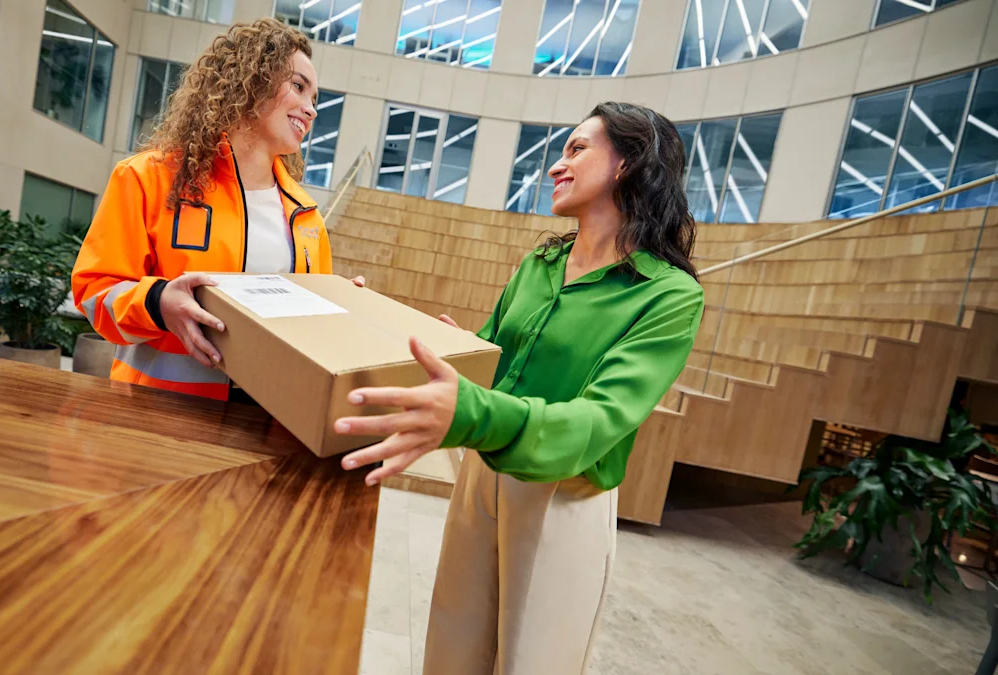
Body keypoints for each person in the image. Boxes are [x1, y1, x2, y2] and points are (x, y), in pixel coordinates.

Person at [334, 102, 705, 674]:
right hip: (482, 472)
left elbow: (598, 420)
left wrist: (476, 411)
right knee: (452, 648)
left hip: (563, 494)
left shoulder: (670, 295)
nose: (557, 165)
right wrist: (440, 345)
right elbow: (491, 358)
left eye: (577, 149)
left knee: (531, 662)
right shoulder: (541, 262)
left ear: (628, 163)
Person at [72, 18, 360, 399]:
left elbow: (310, 339)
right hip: (155, 414)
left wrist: (340, 307)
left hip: (270, 420)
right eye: (298, 86)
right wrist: (158, 303)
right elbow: (94, 291)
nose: (311, 110)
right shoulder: (148, 179)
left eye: (315, 99)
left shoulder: (306, 216)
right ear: (252, 79)